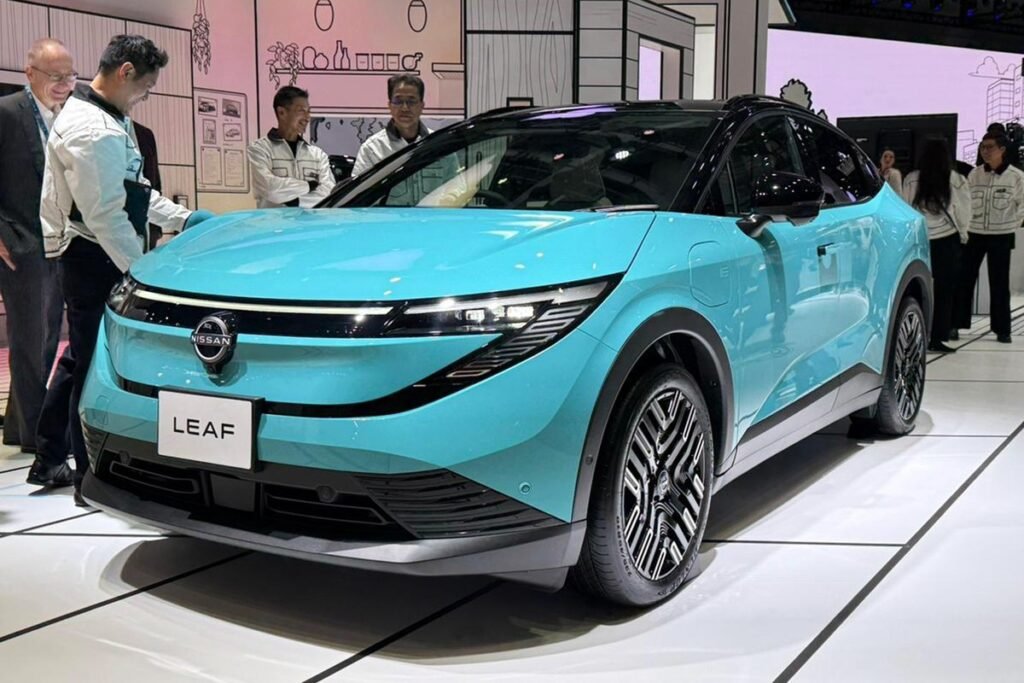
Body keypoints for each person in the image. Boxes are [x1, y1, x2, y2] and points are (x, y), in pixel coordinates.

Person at [30, 34, 214, 502]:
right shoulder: (92, 129)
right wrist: (141, 272)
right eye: (145, 87)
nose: (144, 97)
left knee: (79, 357)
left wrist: (183, 218)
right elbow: (106, 216)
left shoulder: (107, 116)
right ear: (125, 72)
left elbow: (134, 192)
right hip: (93, 255)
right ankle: (87, 477)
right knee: (92, 363)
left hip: (96, 251)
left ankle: (49, 454)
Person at [0, 38, 75, 455]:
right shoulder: (7, 113)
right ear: (30, 74)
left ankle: (17, 427)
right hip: (21, 242)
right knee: (29, 342)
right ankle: (37, 439)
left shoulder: (72, 115)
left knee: (47, 339)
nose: (64, 83)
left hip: (60, 242)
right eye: (55, 75)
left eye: (70, 75)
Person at [902, 138, 971, 353]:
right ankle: (938, 337)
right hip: (947, 239)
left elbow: (905, 207)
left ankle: (912, 334)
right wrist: (963, 234)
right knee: (945, 292)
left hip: (920, 239)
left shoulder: (912, 179)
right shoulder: (956, 179)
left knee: (915, 288)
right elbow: (964, 211)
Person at [954, 133, 1024, 344]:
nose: (985, 151)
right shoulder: (974, 174)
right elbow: (964, 202)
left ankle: (1002, 329)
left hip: (1001, 235)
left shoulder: (1016, 176)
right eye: (983, 147)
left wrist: (1012, 224)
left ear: (1002, 149)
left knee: (1000, 283)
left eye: (990, 147)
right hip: (974, 233)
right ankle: (955, 325)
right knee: (964, 280)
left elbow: (1022, 204)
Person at [248, 85, 334, 208]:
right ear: (281, 112)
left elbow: (329, 192)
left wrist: (296, 201)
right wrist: (309, 186)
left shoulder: (317, 155)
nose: (307, 117)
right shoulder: (259, 149)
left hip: (309, 220)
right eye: (301, 111)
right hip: (272, 220)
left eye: (308, 111)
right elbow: (269, 188)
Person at [352, 74, 430, 176]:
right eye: (398, 101)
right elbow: (360, 186)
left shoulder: (438, 143)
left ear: (422, 106)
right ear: (390, 106)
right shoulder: (372, 149)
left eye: (411, 101)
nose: (405, 108)